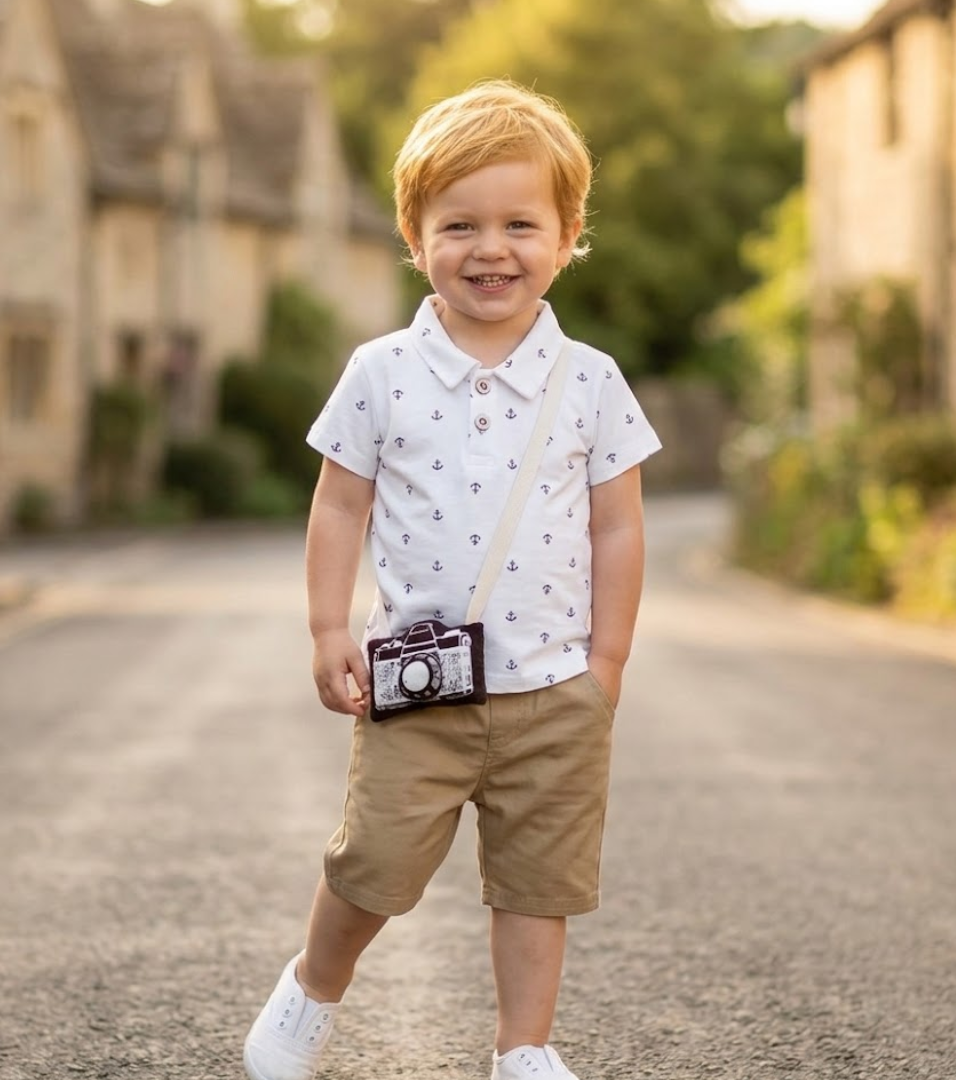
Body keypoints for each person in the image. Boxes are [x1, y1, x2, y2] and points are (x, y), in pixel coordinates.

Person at [243, 79, 662, 1080]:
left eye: (521, 223)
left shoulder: (593, 382)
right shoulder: (380, 373)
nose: (491, 249)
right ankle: (312, 986)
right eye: (460, 224)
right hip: (418, 686)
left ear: (567, 237)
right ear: (414, 235)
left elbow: (618, 526)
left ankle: (523, 1048)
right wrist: (327, 629)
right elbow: (339, 504)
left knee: (537, 884)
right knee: (373, 866)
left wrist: (605, 662)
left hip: (556, 690)